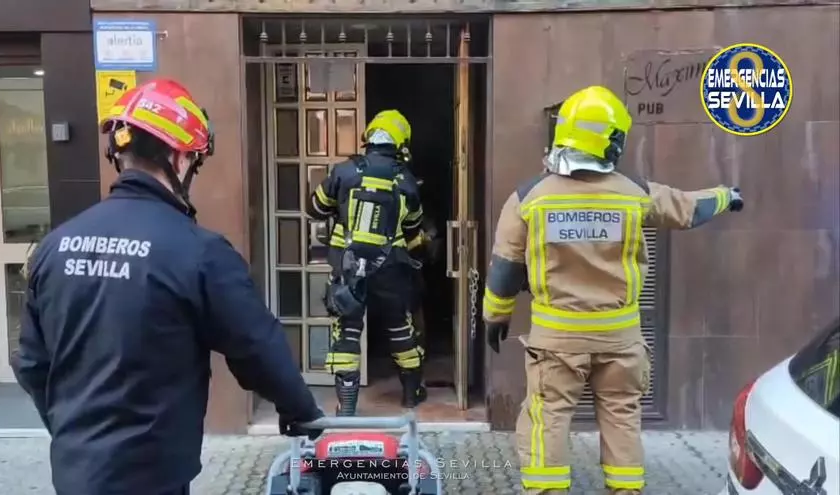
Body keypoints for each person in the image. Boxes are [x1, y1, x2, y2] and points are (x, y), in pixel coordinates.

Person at [11, 78, 324, 495]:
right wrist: (300, 409)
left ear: (119, 155)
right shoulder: (199, 252)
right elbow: (255, 346)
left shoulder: (54, 247)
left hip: (76, 473)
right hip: (153, 474)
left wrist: (72, 432)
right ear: (179, 158)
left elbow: (32, 363)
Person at [482, 85, 744, 494]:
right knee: (621, 417)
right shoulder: (634, 192)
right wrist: (727, 196)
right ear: (612, 140)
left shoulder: (529, 197)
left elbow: (505, 268)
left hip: (558, 341)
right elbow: (686, 208)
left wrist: (494, 317)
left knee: (547, 417)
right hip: (620, 339)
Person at [307, 109, 427, 416]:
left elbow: (315, 207)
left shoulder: (344, 171)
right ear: (401, 142)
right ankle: (411, 394)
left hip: (347, 266)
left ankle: (347, 405)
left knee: (347, 328)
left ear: (369, 136)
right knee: (399, 326)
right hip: (391, 267)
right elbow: (413, 230)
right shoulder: (406, 181)